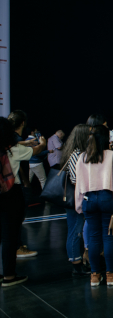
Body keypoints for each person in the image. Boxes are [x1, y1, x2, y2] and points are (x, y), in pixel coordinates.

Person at [75, 125, 113, 287]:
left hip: (88, 200)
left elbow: (79, 185)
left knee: (93, 237)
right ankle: (111, 274)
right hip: (107, 199)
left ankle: (94, 276)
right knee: (108, 236)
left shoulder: (83, 157)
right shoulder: (112, 156)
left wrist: (78, 205)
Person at [0, 118, 47, 287]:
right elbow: (37, 151)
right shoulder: (13, 149)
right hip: (10, 194)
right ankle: (9, 276)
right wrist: (42, 142)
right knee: (9, 236)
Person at [7, 110, 39, 259]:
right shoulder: (14, 140)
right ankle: (17, 247)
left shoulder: (10, 138)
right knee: (17, 218)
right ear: (23, 123)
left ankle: (16, 246)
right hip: (16, 184)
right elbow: (19, 162)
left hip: (11, 184)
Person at [60, 124, 91, 277]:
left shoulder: (72, 152)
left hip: (74, 198)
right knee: (75, 231)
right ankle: (76, 265)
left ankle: (77, 261)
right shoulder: (77, 154)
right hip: (76, 199)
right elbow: (75, 179)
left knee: (75, 229)